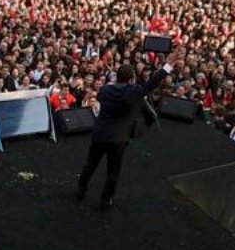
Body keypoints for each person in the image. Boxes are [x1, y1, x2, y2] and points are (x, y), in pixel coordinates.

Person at [76, 50, 179, 210]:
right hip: (118, 138)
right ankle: (106, 200)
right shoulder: (133, 91)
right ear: (131, 79)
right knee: (113, 170)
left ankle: (80, 190)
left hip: (100, 133)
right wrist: (168, 66)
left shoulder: (105, 90)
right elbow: (151, 83)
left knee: (90, 164)